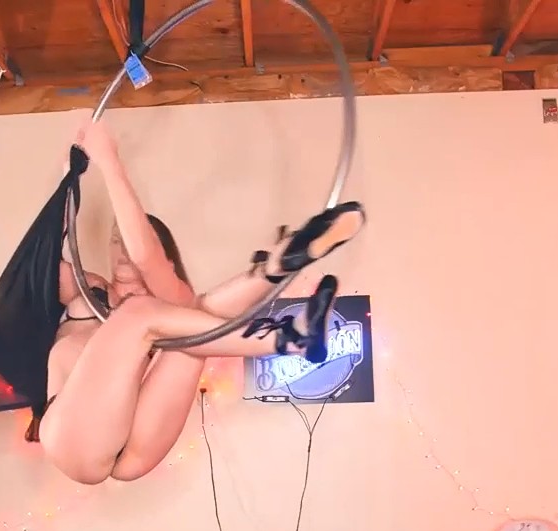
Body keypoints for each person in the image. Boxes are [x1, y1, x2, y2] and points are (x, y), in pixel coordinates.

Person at [35, 118, 366, 485]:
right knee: (182, 316)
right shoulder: (90, 289)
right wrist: (68, 187)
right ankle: (278, 284)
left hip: (138, 446)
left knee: (186, 320)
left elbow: (145, 254)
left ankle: (281, 295)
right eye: (116, 241)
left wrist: (109, 159)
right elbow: (41, 267)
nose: (123, 251)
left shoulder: (163, 302)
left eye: (128, 240)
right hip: (74, 438)